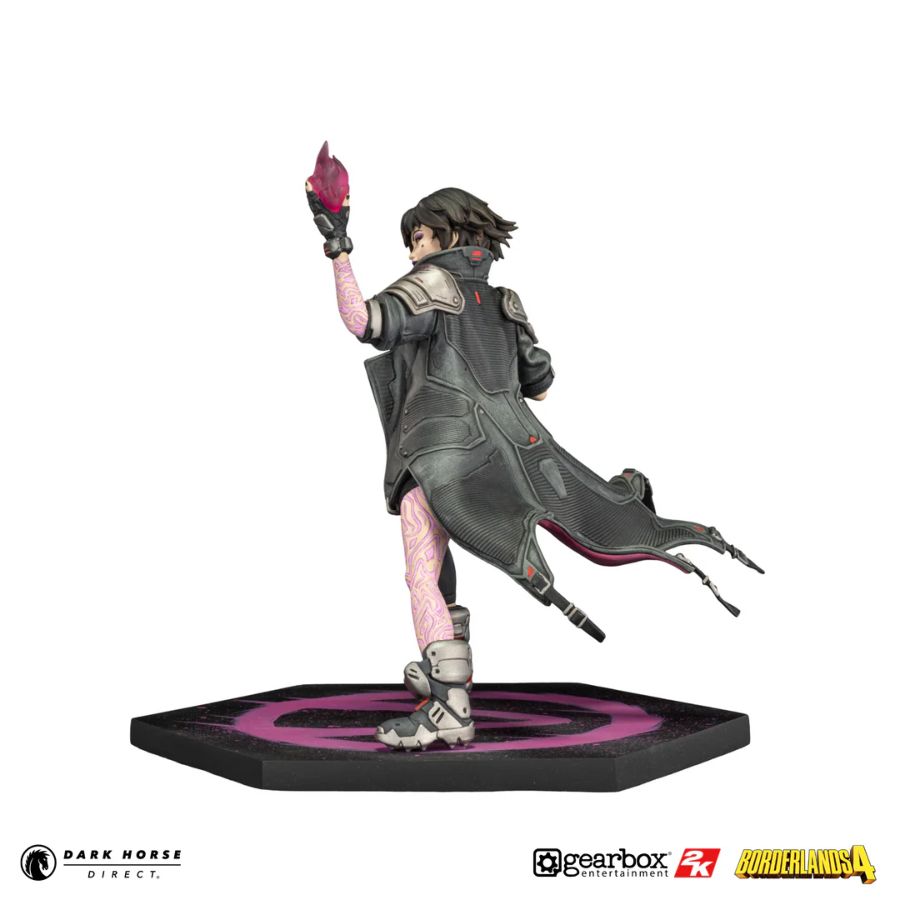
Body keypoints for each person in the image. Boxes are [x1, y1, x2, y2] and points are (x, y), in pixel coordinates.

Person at [305, 150, 762, 751]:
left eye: (417, 238)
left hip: (439, 453)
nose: (412, 252)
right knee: (439, 562)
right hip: (510, 451)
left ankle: (449, 703)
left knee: (422, 569)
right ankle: (445, 667)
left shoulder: (430, 286)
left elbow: (361, 321)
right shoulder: (504, 301)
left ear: (446, 236)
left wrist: (338, 248)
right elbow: (540, 385)